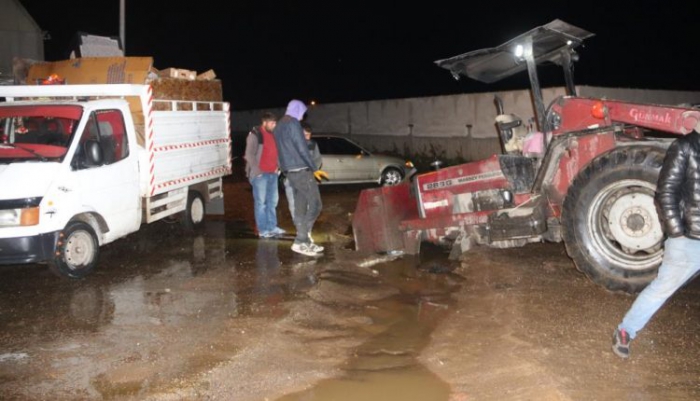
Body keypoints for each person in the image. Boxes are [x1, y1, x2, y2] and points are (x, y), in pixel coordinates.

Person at [612, 128, 700, 359]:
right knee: (661, 289)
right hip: (691, 240)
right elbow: (665, 192)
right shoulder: (684, 147)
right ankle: (625, 330)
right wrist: (677, 232)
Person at [273, 100, 325, 257]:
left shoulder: (279, 126)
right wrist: (314, 169)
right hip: (301, 170)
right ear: (297, 110)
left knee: (300, 207)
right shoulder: (293, 123)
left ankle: (304, 241)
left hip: (290, 172)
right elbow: (301, 147)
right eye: (301, 112)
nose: (302, 117)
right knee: (316, 205)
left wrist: (283, 169)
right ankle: (302, 238)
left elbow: (280, 151)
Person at [244, 111, 286, 238]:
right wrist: (257, 172)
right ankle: (263, 230)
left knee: (272, 202)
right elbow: (249, 154)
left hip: (273, 173)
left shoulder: (274, 135)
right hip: (260, 175)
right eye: (272, 123)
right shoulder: (255, 134)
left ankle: (272, 226)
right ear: (264, 122)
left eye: (275, 123)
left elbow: (276, 152)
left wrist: (278, 167)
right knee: (261, 203)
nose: (274, 125)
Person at [284, 121, 323, 228]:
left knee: (311, 204)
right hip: (293, 179)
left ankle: (306, 229)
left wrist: (312, 170)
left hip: (308, 179)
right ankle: (299, 228)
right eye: (304, 134)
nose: (307, 137)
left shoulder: (312, 144)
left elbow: (317, 159)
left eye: (308, 134)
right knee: (294, 204)